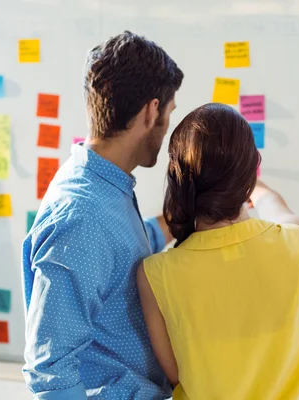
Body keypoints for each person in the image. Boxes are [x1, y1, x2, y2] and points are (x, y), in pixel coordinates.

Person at [22, 31, 183, 399]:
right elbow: (50, 373)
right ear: (150, 111)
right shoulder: (81, 216)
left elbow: (113, 257)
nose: (167, 128)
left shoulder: (102, 184)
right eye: (169, 115)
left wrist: (176, 224)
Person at [137, 103, 299, 400]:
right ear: (247, 176)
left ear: (178, 179)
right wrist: (257, 189)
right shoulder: (298, 244)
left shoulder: (154, 275)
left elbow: (176, 373)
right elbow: (277, 208)